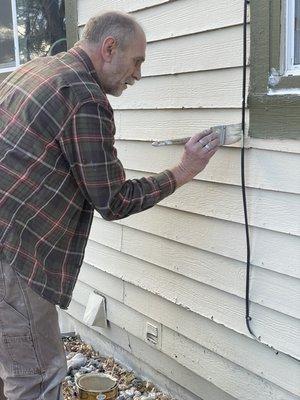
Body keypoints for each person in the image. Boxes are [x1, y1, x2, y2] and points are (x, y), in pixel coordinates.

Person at [0, 11, 219, 400]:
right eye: (136, 62)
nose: (137, 75)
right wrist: (184, 170)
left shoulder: (36, 70)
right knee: (36, 375)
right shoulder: (84, 97)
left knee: (14, 362)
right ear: (109, 48)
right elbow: (113, 200)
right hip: (15, 255)